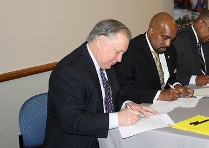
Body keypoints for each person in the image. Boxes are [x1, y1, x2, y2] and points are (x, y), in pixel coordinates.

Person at [43, 19, 157, 148]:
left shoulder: (105, 62)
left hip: (105, 138)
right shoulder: (69, 72)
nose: (119, 59)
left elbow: (114, 95)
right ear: (100, 41)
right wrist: (118, 118)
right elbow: (73, 121)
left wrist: (127, 104)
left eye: (123, 54)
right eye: (117, 51)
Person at [114, 12, 194, 103]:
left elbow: (170, 77)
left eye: (171, 39)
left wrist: (177, 86)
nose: (168, 44)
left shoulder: (170, 50)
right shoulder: (131, 51)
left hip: (167, 106)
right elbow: (124, 88)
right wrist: (158, 95)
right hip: (142, 107)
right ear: (151, 31)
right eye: (165, 37)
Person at [173, 10, 209, 86]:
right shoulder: (179, 39)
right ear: (200, 24)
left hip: (207, 89)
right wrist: (195, 80)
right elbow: (172, 74)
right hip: (187, 90)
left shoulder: (206, 40)